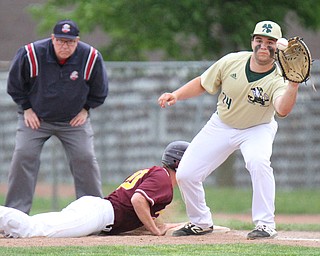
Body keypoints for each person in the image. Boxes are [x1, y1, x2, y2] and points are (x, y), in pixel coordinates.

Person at [158, 21, 300, 239]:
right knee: (186, 173)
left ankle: (265, 225)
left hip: (258, 128)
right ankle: (201, 222)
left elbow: (282, 109)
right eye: (259, 40)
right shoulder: (232, 61)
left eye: (270, 42)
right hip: (222, 124)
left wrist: (293, 84)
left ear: (277, 46)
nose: (264, 46)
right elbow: (204, 83)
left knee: (258, 162)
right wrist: (176, 95)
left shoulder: (280, 76)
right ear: (252, 41)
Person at [5, 19, 109, 214]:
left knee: (85, 157)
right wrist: (26, 108)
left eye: (69, 42)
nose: (64, 45)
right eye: (60, 40)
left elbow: (100, 89)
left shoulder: (90, 57)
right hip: (35, 119)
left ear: (77, 41)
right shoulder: (31, 54)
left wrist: (86, 109)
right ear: (52, 38)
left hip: (73, 121)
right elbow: (14, 85)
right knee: (23, 155)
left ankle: (95, 214)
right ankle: (14, 215)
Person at [0, 141, 189, 238]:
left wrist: (159, 226)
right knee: (36, 231)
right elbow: (137, 200)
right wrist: (155, 231)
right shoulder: (163, 178)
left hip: (96, 210)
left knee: (36, 225)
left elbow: (135, 208)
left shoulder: (158, 175)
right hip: (98, 215)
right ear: (179, 163)